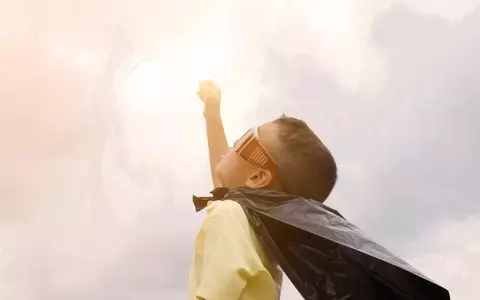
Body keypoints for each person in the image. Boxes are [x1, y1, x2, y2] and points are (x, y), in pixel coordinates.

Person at [189, 80, 337, 300]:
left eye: (248, 140)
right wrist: (212, 112)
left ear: (257, 177)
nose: (237, 140)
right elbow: (226, 187)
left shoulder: (228, 215)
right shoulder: (260, 236)